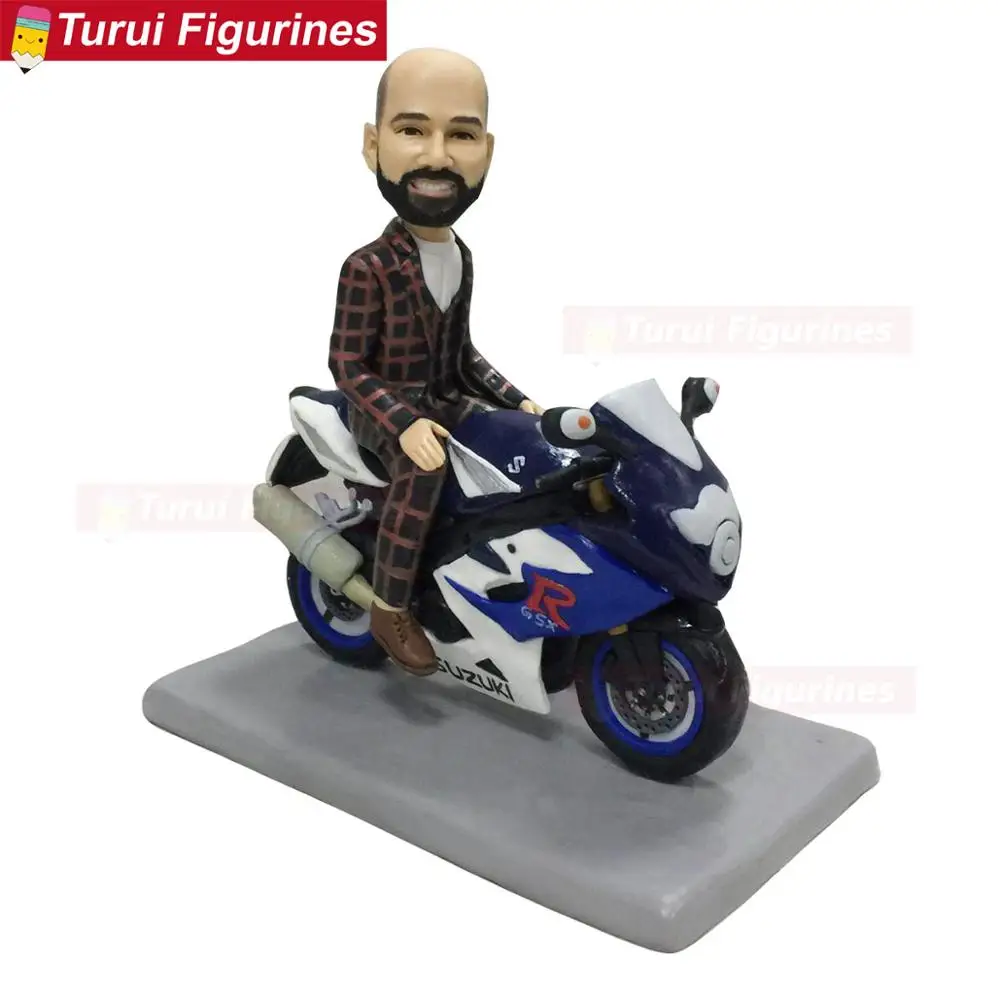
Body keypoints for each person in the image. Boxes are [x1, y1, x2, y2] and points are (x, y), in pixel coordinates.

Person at [328, 48, 543, 676]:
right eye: (412, 130)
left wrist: (519, 402)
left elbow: (462, 352)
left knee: (524, 448)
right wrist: (402, 423)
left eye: (462, 135)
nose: (438, 156)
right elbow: (347, 364)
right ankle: (391, 607)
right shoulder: (368, 266)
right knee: (425, 469)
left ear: (487, 152)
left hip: (444, 400)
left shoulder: (461, 256)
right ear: (373, 145)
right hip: (383, 410)